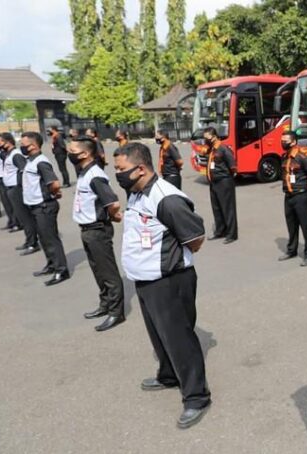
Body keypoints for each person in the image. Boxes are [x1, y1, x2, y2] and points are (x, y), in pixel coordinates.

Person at [114, 142, 211, 429]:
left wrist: (170, 261)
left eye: (121, 170)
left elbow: (195, 238)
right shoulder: (135, 192)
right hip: (145, 280)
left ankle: (196, 396)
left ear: (140, 168)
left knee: (180, 338)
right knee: (159, 335)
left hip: (170, 280)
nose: (117, 175)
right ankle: (168, 375)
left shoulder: (166, 198)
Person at [68, 136, 125, 332]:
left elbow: (113, 202)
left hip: (97, 230)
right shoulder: (84, 172)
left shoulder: (95, 175)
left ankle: (116, 312)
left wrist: (114, 216)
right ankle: (105, 304)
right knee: (97, 271)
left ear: (85, 154)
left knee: (108, 272)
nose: (70, 154)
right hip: (87, 230)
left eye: (73, 151)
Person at [21, 132, 70, 286]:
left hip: (44, 206)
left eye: (24, 145)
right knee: (43, 238)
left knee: (50, 239)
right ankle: (51, 264)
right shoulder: (31, 161)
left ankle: (61, 270)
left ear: (34, 145)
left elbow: (54, 183)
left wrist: (54, 194)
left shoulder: (41, 162)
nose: (21, 147)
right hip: (35, 206)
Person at [278, 130, 307, 266]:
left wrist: (305, 189)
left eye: (285, 141)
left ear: (293, 142)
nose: (283, 143)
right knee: (291, 225)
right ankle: (291, 250)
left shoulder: (301, 157)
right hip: (288, 196)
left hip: (301, 196)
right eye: (282, 141)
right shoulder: (284, 156)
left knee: (305, 226)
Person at [2, 132, 39, 256]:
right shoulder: (9, 154)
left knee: (25, 217)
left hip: (17, 189)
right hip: (11, 189)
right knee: (21, 217)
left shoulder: (16, 155)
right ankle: (29, 240)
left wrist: (20, 185)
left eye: (0, 142)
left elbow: (23, 170)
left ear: (7, 142)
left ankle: (33, 243)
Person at [204, 127, 238, 243]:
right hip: (213, 182)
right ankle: (220, 231)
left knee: (228, 208)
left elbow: (233, 165)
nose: (205, 140)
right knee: (217, 208)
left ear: (214, 137)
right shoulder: (212, 148)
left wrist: (228, 178)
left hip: (224, 182)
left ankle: (231, 234)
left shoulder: (223, 148)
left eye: (207, 138)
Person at [0, 134, 19, 229]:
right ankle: (12, 222)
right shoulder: (5, 153)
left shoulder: (15, 154)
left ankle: (17, 223)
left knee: (16, 207)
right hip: (6, 182)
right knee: (7, 204)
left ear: (7, 142)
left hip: (14, 185)